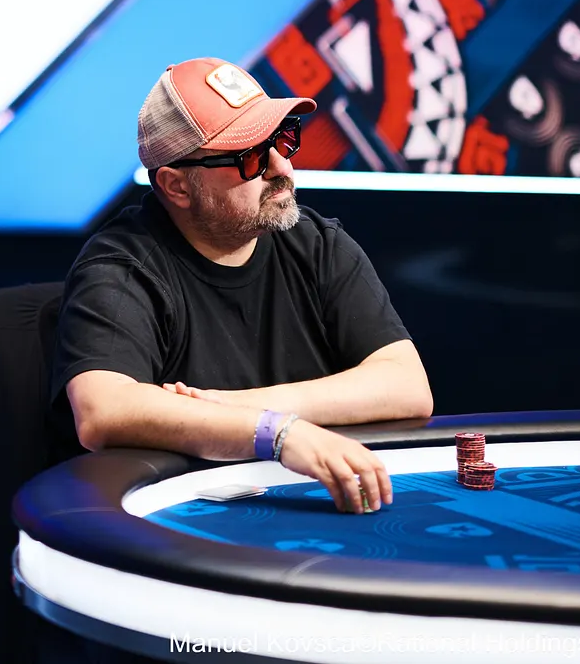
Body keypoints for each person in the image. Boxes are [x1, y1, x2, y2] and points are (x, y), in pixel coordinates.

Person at [54, 57, 434, 516]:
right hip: (182, 525)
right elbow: (103, 411)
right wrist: (276, 434)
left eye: (283, 139)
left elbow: (407, 385)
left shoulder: (318, 243)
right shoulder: (122, 266)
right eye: (250, 157)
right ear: (177, 186)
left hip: (310, 507)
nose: (281, 167)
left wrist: (252, 414)